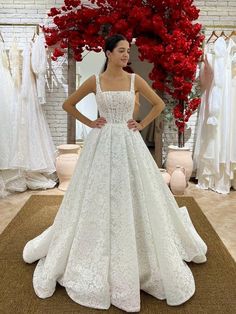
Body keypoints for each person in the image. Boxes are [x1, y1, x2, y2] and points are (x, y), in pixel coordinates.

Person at [23, 34, 207, 312]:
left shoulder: (134, 80)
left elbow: (157, 104)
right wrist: (91, 122)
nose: (126, 56)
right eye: (121, 51)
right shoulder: (95, 82)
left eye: (127, 51)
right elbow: (68, 104)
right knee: (95, 194)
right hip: (102, 140)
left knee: (135, 192)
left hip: (129, 141)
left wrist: (141, 122)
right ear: (107, 53)